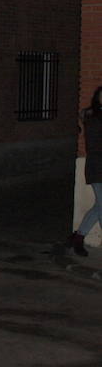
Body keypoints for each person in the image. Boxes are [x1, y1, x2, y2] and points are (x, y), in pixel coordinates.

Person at [68, 86, 102, 256]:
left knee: (99, 206)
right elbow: (94, 144)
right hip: (97, 166)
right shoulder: (93, 118)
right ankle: (78, 238)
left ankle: (79, 236)